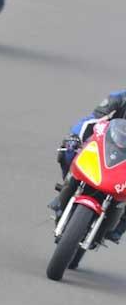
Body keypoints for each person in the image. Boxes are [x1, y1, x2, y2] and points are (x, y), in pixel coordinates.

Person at [51, 90, 126, 242]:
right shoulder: (119, 98)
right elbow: (91, 120)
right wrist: (75, 137)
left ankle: (121, 225)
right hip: (106, 146)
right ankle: (66, 186)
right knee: (68, 151)